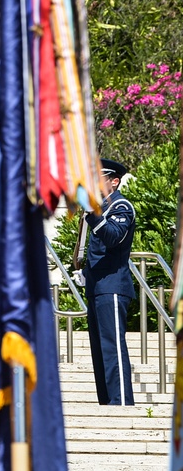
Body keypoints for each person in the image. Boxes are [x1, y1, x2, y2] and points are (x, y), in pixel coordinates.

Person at [83, 158, 136, 406]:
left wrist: (95, 217)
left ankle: (122, 403)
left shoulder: (121, 205)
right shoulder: (100, 207)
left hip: (112, 285)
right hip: (97, 286)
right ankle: (107, 403)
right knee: (99, 350)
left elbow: (114, 237)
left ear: (113, 181)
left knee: (113, 346)